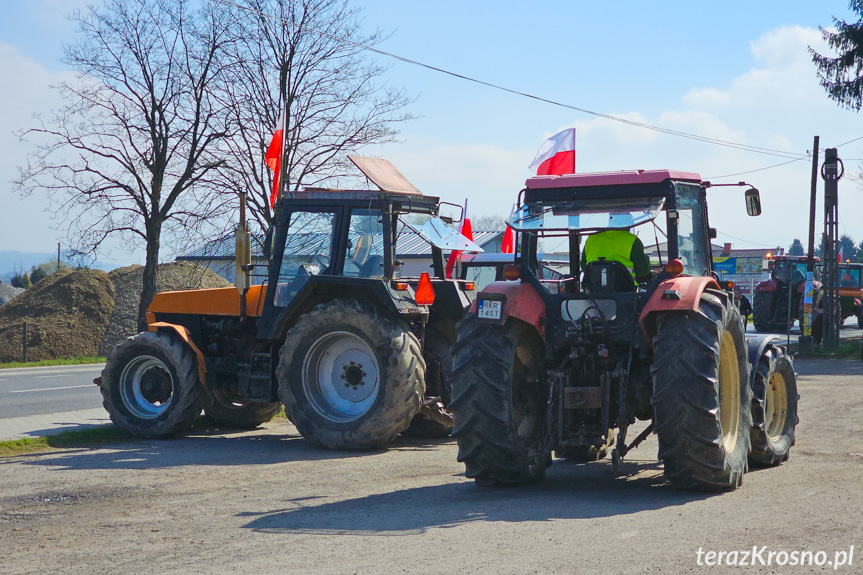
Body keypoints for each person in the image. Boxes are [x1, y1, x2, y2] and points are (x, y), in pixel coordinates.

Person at [581, 218, 651, 283]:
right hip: (626, 292)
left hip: (593, 291)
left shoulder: (591, 239)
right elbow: (643, 271)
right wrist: (646, 259)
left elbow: (584, 267)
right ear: (629, 224)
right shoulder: (633, 240)